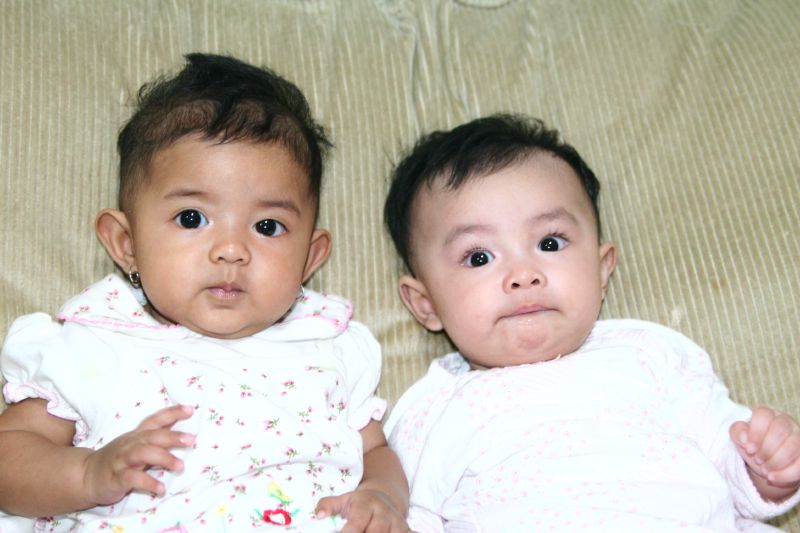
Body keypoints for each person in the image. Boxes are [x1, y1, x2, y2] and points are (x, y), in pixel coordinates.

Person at [0, 53, 410, 533]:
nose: (232, 250)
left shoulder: (331, 347)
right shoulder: (91, 345)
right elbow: (11, 457)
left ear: (310, 258)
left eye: (268, 226)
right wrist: (88, 473)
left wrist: (382, 496)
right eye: (192, 218)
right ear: (126, 244)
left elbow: (377, 453)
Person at [382, 114, 800, 532]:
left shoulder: (648, 354)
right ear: (426, 304)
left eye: (549, 243)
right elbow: (409, 518)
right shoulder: (430, 413)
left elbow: (730, 463)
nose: (523, 274)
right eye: (479, 257)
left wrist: (767, 467)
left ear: (602, 270)